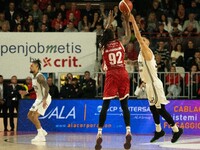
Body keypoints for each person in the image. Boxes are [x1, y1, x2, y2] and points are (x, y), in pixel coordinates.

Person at [129, 14, 183, 143]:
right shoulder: (140, 55)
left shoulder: (147, 52)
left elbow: (138, 37)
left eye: (144, 40)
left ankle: (176, 130)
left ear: (147, 43)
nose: (141, 40)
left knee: (160, 109)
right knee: (153, 108)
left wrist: (133, 21)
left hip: (154, 84)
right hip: (148, 84)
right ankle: (159, 130)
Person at [95, 11, 131, 150]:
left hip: (111, 74)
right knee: (124, 106)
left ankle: (99, 133)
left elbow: (105, 33)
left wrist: (109, 21)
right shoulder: (120, 42)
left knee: (105, 105)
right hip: (122, 73)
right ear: (114, 35)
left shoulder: (103, 46)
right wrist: (126, 21)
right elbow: (128, 35)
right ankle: (128, 130)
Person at [19, 59, 51, 142]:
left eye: (32, 66)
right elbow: (34, 87)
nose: (30, 67)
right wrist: (26, 92)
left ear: (37, 67)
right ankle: (42, 131)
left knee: (35, 116)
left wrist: (44, 99)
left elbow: (47, 87)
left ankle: (41, 136)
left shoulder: (40, 76)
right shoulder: (34, 77)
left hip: (44, 98)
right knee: (29, 115)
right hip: (39, 99)